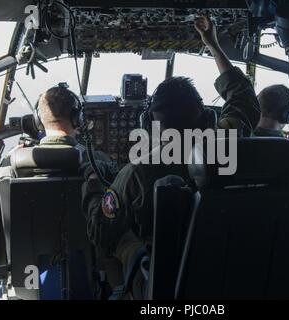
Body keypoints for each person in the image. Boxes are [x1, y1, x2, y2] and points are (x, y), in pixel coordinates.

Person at [81, 16, 261, 297]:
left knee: (118, 238)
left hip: (166, 284)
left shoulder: (138, 172)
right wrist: (212, 44)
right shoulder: (229, 141)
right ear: (204, 114)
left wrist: (93, 182)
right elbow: (242, 96)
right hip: (225, 272)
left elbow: (100, 231)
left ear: (150, 124)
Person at [0, 86, 113, 179]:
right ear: (77, 119)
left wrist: (7, 158)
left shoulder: (14, 161)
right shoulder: (96, 160)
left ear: (38, 121)